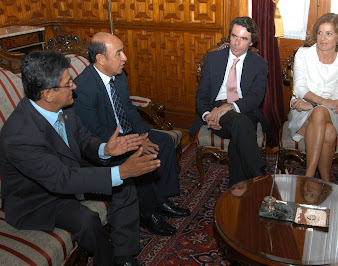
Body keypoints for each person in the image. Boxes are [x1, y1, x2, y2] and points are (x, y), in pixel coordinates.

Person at [0, 50, 161, 266]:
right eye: (68, 83)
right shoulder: (19, 136)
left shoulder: (64, 106)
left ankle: (124, 256)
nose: (74, 87)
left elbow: (83, 138)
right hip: (38, 200)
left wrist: (105, 149)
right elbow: (61, 179)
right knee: (87, 219)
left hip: (65, 176)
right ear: (48, 94)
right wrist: (121, 171)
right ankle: (107, 260)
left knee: (125, 186)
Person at [73, 32, 190, 237]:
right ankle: (147, 215)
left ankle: (161, 200)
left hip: (128, 133)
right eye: (118, 53)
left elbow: (128, 107)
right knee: (137, 158)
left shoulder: (119, 76)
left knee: (163, 142)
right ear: (100, 59)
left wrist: (143, 135)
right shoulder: (83, 88)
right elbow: (96, 132)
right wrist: (136, 143)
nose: (125, 57)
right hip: (104, 146)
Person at [189, 16, 270, 189]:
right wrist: (206, 116)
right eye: (234, 36)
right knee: (242, 125)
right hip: (217, 112)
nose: (236, 43)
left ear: (251, 42)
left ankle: (237, 189)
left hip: (245, 110)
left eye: (243, 39)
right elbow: (201, 95)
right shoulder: (213, 59)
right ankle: (258, 173)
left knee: (240, 128)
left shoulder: (260, 64)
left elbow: (256, 97)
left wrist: (231, 106)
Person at [288, 13, 338, 182]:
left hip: (331, 114)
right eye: (320, 32)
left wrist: (312, 105)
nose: (323, 38)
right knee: (329, 132)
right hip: (301, 112)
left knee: (320, 113)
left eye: (329, 33)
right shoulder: (303, 54)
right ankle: (326, 181)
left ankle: (308, 177)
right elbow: (300, 88)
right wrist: (322, 103)